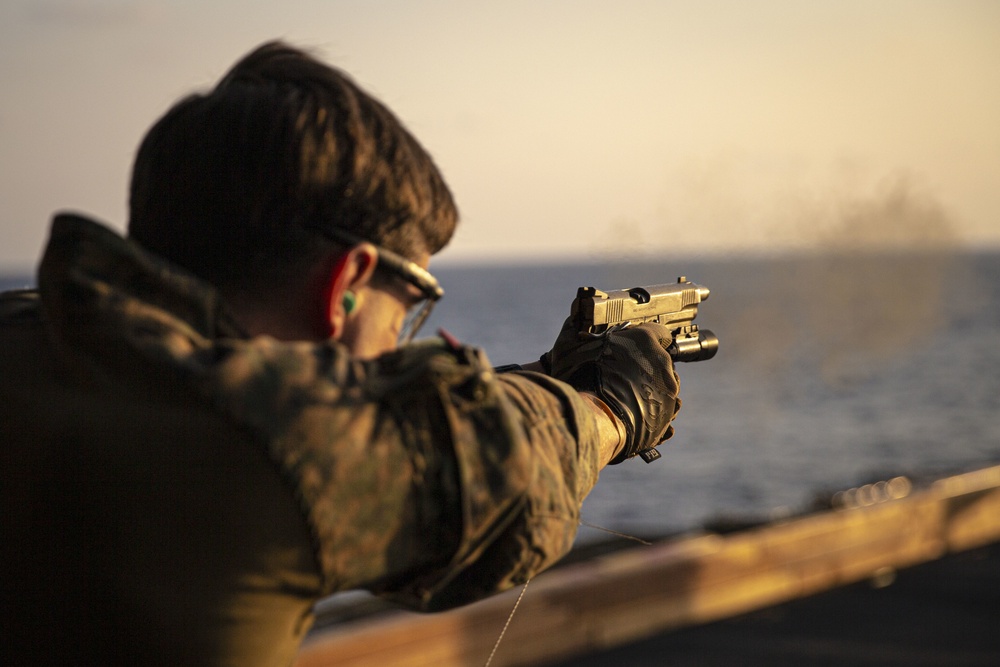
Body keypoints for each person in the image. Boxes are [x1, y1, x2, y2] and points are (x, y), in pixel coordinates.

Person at [0, 41, 681, 665]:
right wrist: (612, 406)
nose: (397, 346)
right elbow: (499, 465)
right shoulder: (264, 434)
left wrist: (536, 379)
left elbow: (381, 424)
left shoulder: (33, 336)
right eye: (407, 309)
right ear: (346, 285)